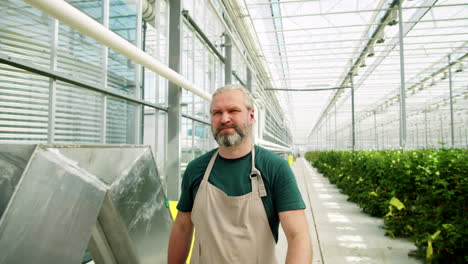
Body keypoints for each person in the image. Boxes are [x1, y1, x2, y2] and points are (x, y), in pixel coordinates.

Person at [168, 84, 312, 264]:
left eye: (233, 110)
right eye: (216, 113)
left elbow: (298, 236)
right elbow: (182, 227)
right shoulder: (196, 169)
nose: (224, 118)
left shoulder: (275, 168)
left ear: (251, 116)